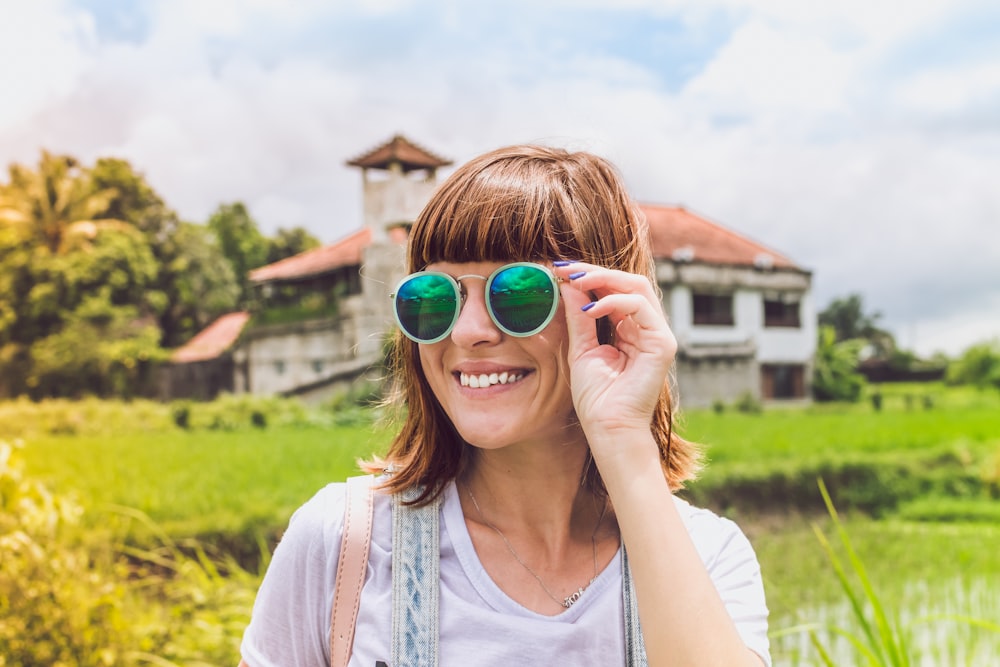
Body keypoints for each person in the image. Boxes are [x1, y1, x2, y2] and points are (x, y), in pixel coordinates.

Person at [239, 145, 770, 666]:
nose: (468, 332)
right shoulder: (344, 541)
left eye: (518, 294)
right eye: (434, 298)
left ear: (606, 311)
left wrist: (625, 440)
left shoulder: (706, 556)